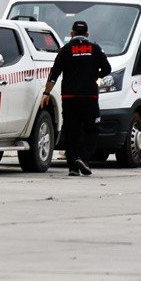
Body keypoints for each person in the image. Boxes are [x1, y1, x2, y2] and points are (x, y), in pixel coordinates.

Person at [42, 19, 112, 176]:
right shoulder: (95, 49)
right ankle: (84, 159)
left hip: (69, 97)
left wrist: (46, 93)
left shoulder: (65, 50)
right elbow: (107, 68)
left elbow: (54, 74)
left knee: (71, 131)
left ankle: (73, 167)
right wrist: (95, 76)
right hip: (89, 97)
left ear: (71, 34)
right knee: (92, 129)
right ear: (87, 34)